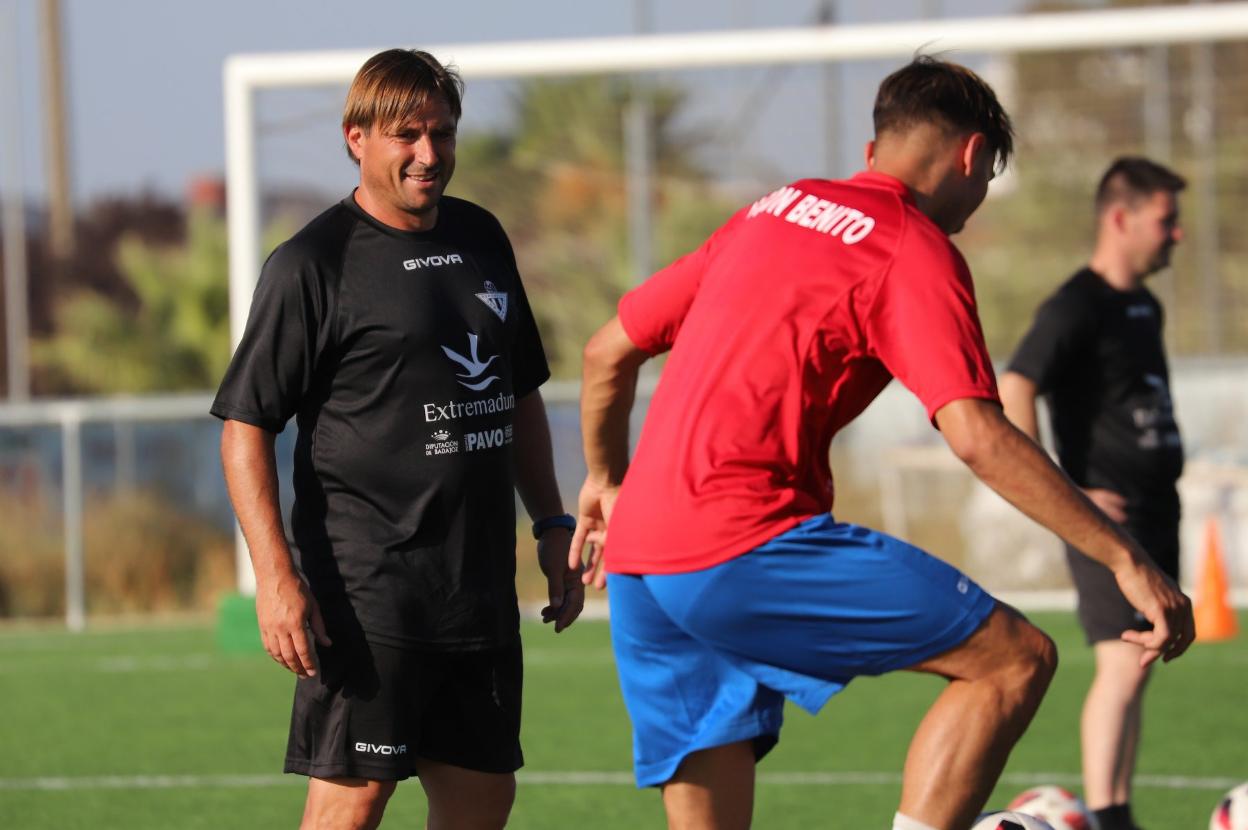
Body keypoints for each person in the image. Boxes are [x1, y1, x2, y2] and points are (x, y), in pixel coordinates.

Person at [570, 57, 1193, 830]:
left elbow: (605, 351)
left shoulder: (771, 209)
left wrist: (605, 481)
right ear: (972, 156)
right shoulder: (911, 246)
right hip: (740, 541)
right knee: (1015, 660)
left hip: (639, 556)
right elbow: (977, 436)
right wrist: (1126, 558)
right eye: (988, 175)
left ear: (874, 151)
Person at [212, 48, 583, 830]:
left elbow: (518, 393)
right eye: (406, 135)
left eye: (442, 133)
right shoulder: (312, 264)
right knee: (353, 801)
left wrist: (552, 523)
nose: (428, 153)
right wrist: (275, 577)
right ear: (357, 137)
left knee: (483, 798)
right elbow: (246, 427)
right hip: (368, 590)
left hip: (478, 586)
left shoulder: (482, 235)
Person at [999, 157, 1188, 830]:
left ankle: (1117, 810)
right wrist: (1061, 490)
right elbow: (1016, 384)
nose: (1177, 234)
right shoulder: (1075, 305)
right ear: (1120, 218)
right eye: (1166, 220)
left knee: (1142, 663)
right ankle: (1109, 816)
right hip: (1108, 521)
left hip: (1156, 510)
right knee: (1123, 663)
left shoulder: (1144, 306)